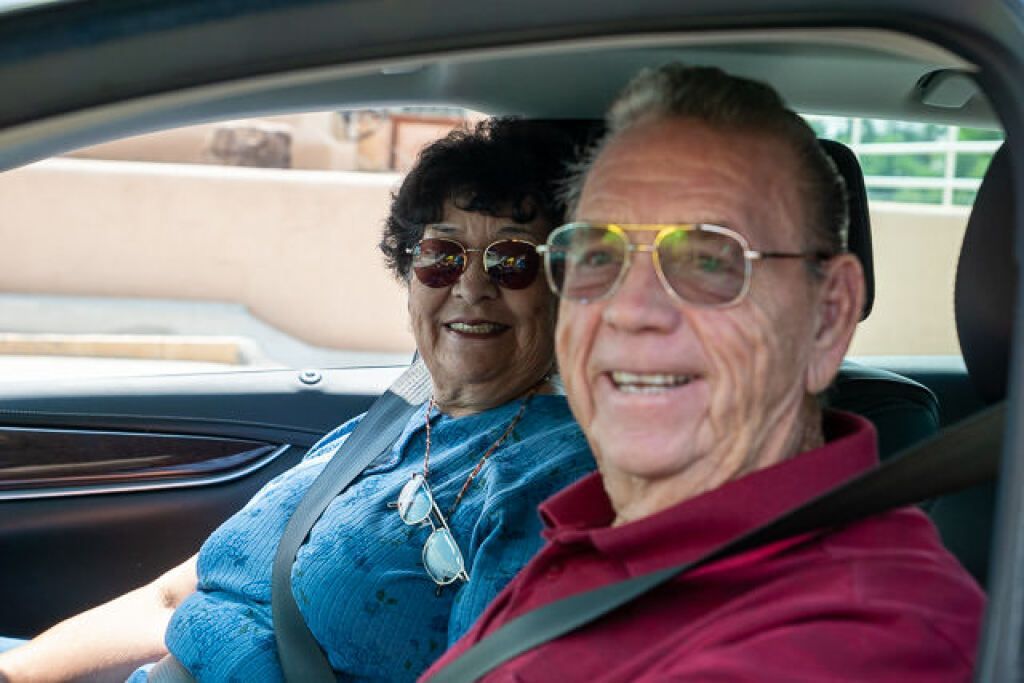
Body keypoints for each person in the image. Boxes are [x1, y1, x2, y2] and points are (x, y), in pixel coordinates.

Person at [424, 65, 985, 681]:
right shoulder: (597, 531)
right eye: (598, 256)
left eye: (709, 261)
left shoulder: (862, 640)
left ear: (827, 317)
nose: (629, 310)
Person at [0, 118, 594, 682]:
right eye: (443, 256)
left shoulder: (552, 479)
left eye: (512, 261)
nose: (471, 286)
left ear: (562, 289)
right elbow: (176, 599)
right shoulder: (386, 427)